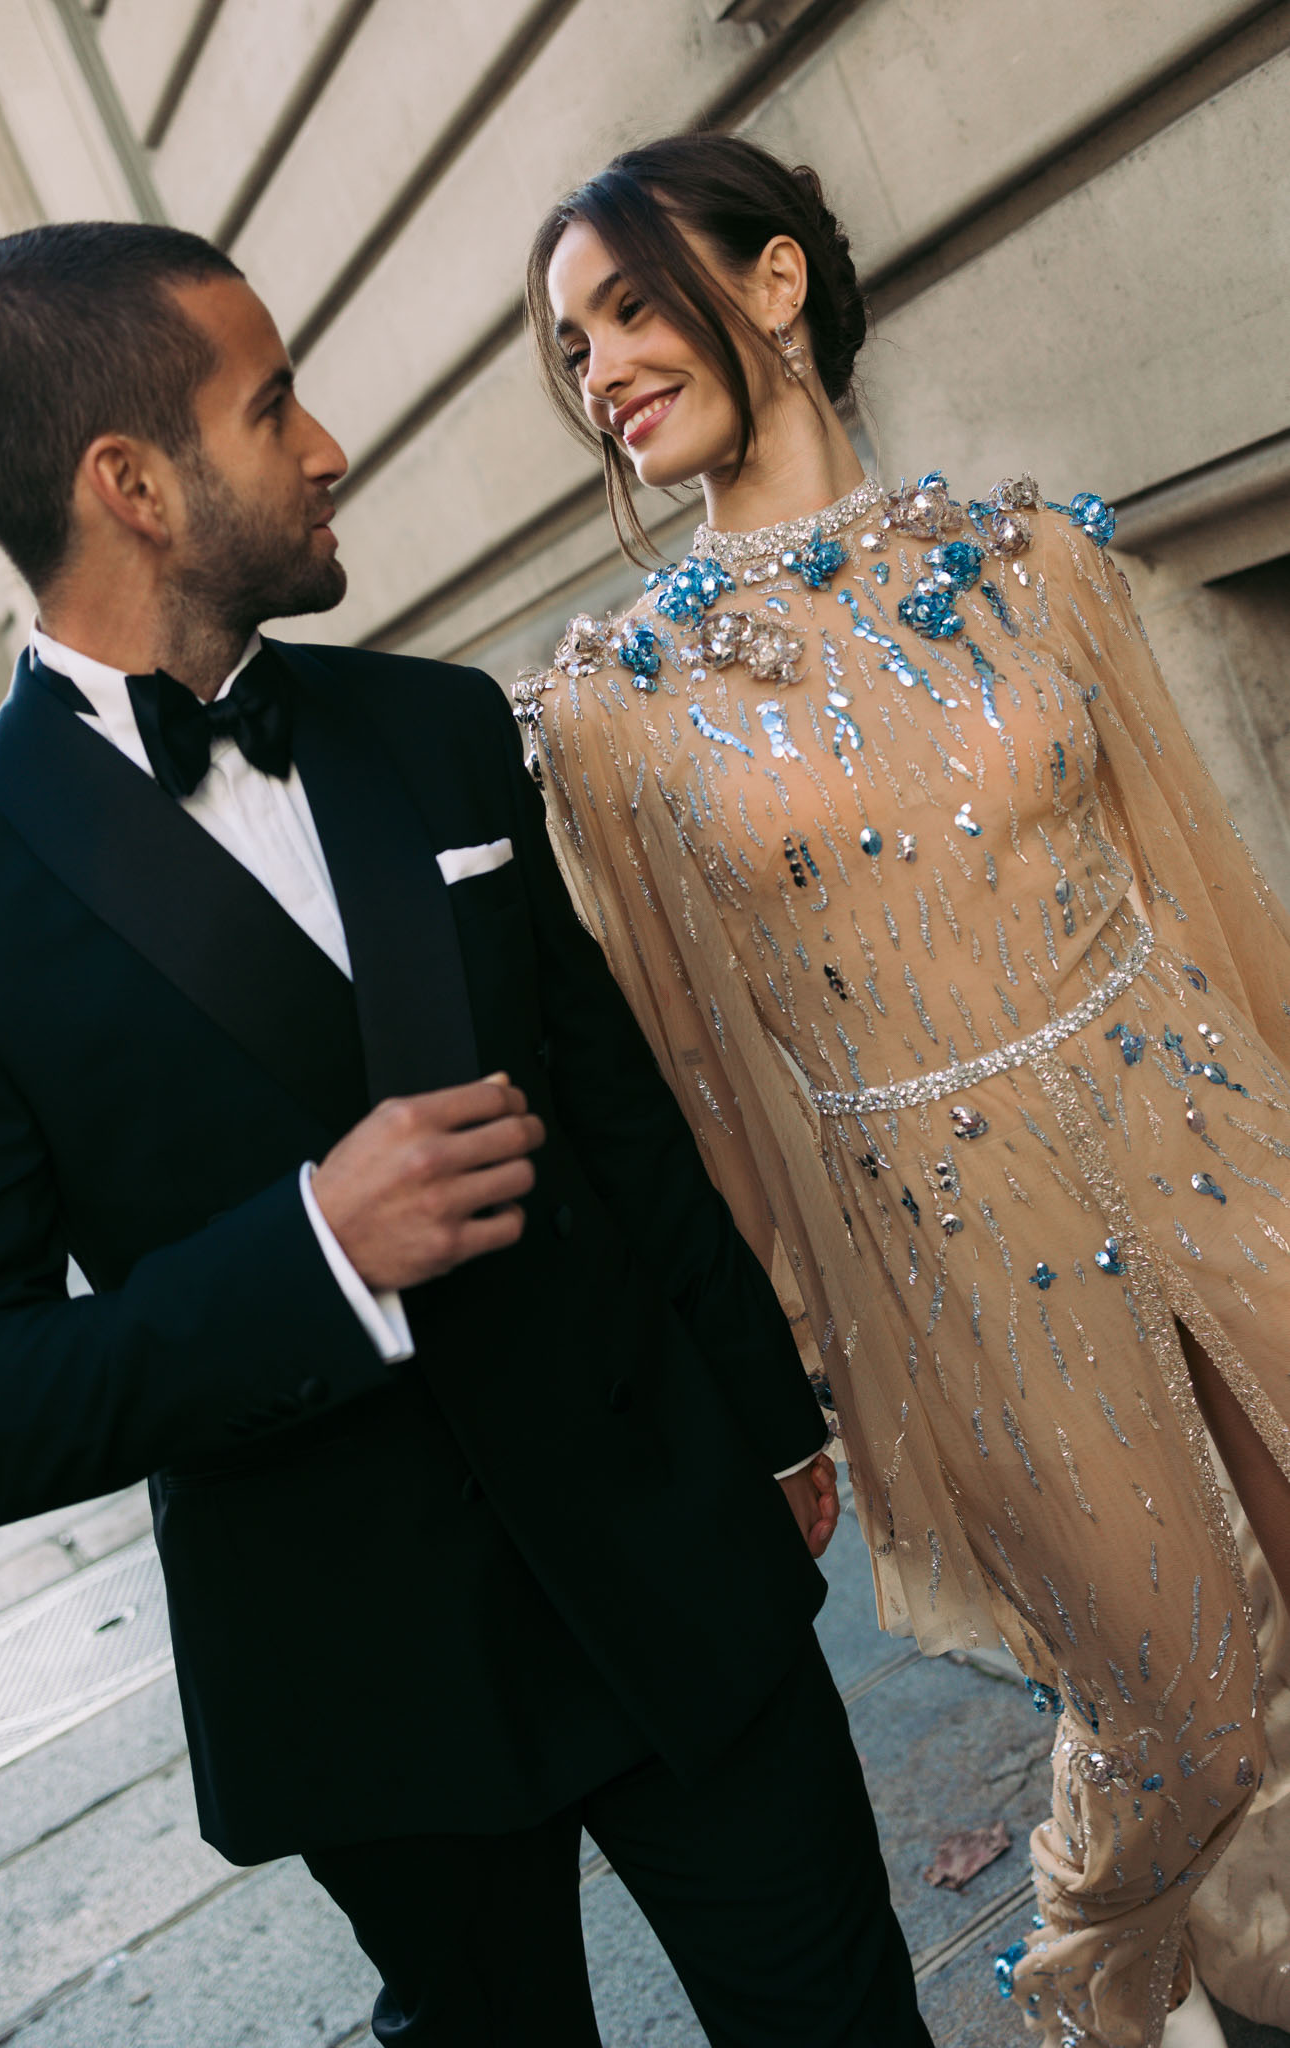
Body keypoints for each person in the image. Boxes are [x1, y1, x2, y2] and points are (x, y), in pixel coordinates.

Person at [0, 223, 932, 2048]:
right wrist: (308, 1253)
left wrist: (768, 1421)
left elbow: (615, 1107)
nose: (327, 450)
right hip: (363, 1676)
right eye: (275, 404)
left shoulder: (439, 728)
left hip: (669, 1557)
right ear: (131, 485)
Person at [522, 132, 1290, 2048]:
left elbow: (1200, 885)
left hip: (1211, 1134)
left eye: (627, 303)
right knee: (1170, 1689)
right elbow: (696, 1085)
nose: (599, 368)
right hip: (968, 1250)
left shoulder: (1034, 562)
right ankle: (1105, 1980)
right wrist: (788, 1364)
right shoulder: (616, 706)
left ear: (772, 284)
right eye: (569, 345)